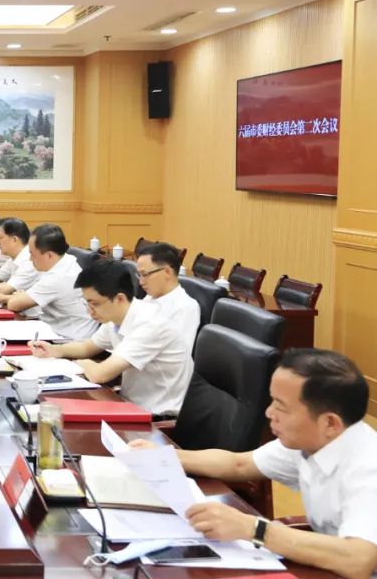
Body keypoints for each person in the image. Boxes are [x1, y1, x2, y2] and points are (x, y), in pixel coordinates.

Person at [130, 349, 377, 578]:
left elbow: (358, 559)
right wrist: (166, 456)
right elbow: (239, 464)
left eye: (281, 407)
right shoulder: (312, 439)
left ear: (330, 423)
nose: (269, 413)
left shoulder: (368, 467)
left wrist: (254, 529)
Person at [30, 258, 193, 415]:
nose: (90, 311)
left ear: (119, 298)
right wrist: (54, 350)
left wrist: (82, 363)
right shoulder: (116, 315)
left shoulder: (150, 324)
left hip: (157, 416)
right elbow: (87, 347)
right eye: (87, 303)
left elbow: (99, 374)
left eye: (95, 304)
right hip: (129, 403)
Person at [0, 224, 99, 339]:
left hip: (68, 339)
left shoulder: (58, 277)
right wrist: (8, 298)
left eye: (32, 254)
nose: (30, 259)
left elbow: (14, 305)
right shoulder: (66, 260)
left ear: (49, 255)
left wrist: (14, 298)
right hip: (54, 329)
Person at [135, 242, 201, 354]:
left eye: (145, 274)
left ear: (167, 272)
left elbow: (178, 356)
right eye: (139, 275)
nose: (141, 282)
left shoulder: (186, 307)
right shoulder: (150, 296)